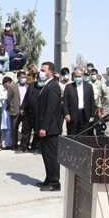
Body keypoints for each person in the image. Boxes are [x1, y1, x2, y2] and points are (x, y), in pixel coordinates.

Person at [35, 62, 62, 192]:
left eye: (43, 70)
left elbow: (50, 110)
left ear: (50, 72)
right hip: (46, 127)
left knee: (51, 155)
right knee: (46, 155)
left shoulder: (52, 87)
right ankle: (48, 178)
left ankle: (55, 182)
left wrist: (44, 127)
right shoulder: (47, 86)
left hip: (50, 128)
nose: (40, 72)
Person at [63, 68, 96, 135]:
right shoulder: (69, 87)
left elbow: (91, 101)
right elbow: (65, 102)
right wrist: (66, 114)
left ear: (83, 76)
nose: (77, 78)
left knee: (84, 135)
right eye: (76, 76)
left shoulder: (89, 87)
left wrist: (92, 115)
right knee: (72, 134)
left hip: (84, 114)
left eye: (79, 76)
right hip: (72, 114)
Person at [7, 71, 28, 152]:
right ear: (18, 78)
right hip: (15, 110)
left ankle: (24, 145)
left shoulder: (27, 86)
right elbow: (9, 99)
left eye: (25, 77)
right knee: (14, 128)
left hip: (25, 111)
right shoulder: (12, 87)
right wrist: (12, 106)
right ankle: (14, 145)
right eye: (22, 77)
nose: (24, 79)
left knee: (25, 129)